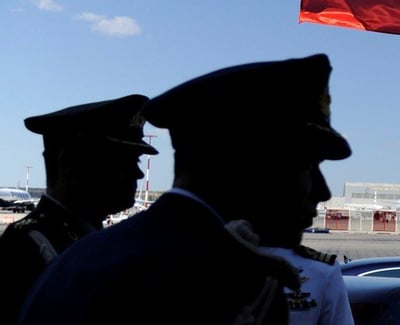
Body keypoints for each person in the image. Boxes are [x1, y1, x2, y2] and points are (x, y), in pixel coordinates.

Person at [18, 54, 353, 325]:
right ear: (246, 163)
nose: (322, 191)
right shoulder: (230, 283)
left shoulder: (85, 257)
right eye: (307, 165)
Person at [0, 94, 158, 325]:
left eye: (137, 161)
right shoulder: (27, 246)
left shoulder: (92, 238)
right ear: (70, 165)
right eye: (123, 161)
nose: (138, 173)